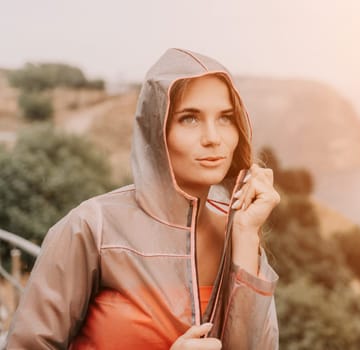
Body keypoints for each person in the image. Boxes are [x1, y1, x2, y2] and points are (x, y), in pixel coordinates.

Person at [6, 48, 280, 349]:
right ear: (155, 129)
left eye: (226, 118)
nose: (213, 137)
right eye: (190, 119)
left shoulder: (242, 235)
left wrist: (244, 237)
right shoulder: (93, 228)